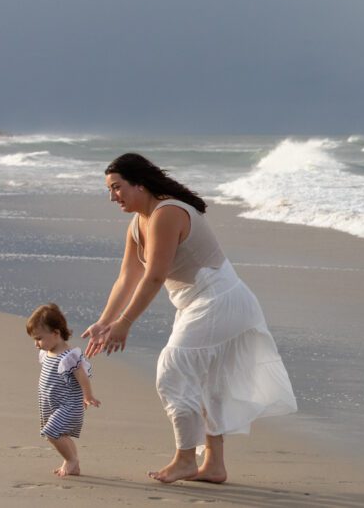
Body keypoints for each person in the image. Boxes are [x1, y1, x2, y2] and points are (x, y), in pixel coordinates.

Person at [83, 153, 297, 484]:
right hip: (197, 303)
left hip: (220, 299)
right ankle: (213, 466)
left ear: (140, 183)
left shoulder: (168, 213)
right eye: (110, 190)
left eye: (117, 187)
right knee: (208, 382)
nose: (113, 197)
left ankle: (185, 459)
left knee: (173, 368)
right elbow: (128, 276)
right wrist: (104, 321)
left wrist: (124, 324)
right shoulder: (138, 222)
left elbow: (154, 276)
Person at [27, 303, 100, 477]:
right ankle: (74, 464)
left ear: (56, 333)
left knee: (52, 432)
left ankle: (70, 460)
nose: (36, 344)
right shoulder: (47, 353)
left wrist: (88, 396)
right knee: (59, 434)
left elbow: (82, 376)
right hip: (51, 403)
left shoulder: (69, 357)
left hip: (68, 405)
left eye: (39, 338)